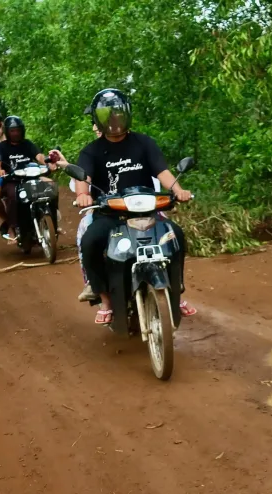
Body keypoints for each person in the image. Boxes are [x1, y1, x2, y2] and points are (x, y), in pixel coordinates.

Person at [73, 88, 196, 324]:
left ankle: (175, 291)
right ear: (98, 119)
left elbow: (162, 171)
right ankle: (105, 299)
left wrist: (178, 190)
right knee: (90, 242)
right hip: (110, 213)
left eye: (118, 113)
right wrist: (83, 195)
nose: (114, 120)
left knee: (175, 235)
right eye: (108, 115)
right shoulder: (91, 151)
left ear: (127, 114)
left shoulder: (144, 143)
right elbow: (83, 179)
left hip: (147, 210)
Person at [0, 116, 64, 241]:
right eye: (12, 131)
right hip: (12, 179)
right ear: (7, 132)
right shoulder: (1, 147)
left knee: (51, 186)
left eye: (18, 130)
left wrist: (48, 163)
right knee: (9, 195)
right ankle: (12, 226)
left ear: (22, 130)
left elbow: (39, 156)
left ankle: (53, 221)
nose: (16, 133)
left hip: (31, 176)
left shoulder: (27, 144)